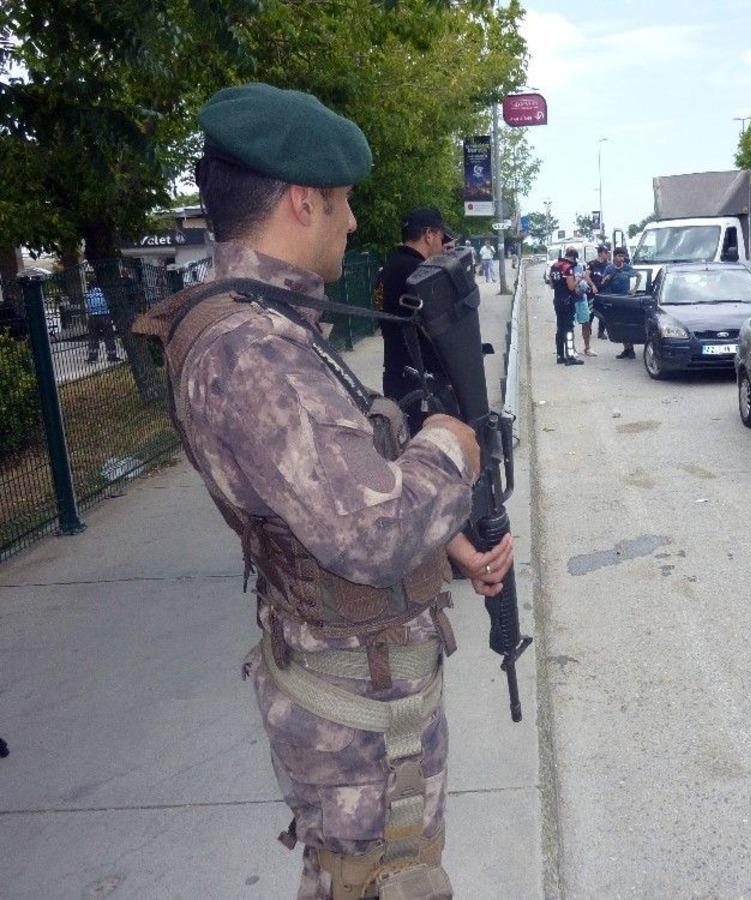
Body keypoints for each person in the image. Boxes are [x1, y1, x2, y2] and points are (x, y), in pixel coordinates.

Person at [133, 83, 513, 899]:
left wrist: (448, 539)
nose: (350, 223)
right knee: (376, 879)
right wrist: (450, 449)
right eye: (341, 204)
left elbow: (328, 494)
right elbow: (369, 533)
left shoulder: (261, 325)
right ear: (303, 202)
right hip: (360, 726)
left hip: (355, 694)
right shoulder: (252, 351)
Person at [379, 206, 456, 428]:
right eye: (442, 238)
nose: (442, 246)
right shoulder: (421, 274)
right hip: (424, 382)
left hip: (395, 375)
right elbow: (436, 332)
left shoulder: (386, 269)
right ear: (429, 234)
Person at [600, 247, 639, 359]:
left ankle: (631, 349)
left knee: (627, 325)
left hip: (626, 300)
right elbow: (602, 283)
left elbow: (639, 276)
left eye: (623, 256)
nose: (621, 258)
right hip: (614, 300)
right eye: (619, 256)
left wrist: (634, 289)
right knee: (619, 326)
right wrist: (606, 279)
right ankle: (626, 349)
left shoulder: (627, 267)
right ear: (614, 256)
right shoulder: (609, 268)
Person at [549, 246, 584, 365]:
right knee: (569, 329)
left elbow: (552, 285)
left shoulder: (554, 266)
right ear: (574, 257)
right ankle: (570, 356)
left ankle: (560, 355)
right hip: (567, 302)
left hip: (557, 300)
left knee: (560, 328)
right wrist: (578, 280)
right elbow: (571, 286)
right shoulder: (568, 268)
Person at [83, 282, 119, 363]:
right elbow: (109, 304)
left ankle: (93, 358)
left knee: (93, 338)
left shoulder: (88, 294)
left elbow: (88, 306)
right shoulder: (104, 293)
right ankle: (112, 356)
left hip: (92, 317)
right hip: (105, 316)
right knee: (109, 337)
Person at [585, 245, 611, 347]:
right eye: (606, 252)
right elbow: (586, 275)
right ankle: (588, 328)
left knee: (603, 313)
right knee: (590, 312)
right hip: (593, 292)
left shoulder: (608, 265)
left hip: (604, 292)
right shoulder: (592, 264)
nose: (607, 254)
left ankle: (601, 332)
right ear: (600, 253)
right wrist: (592, 285)